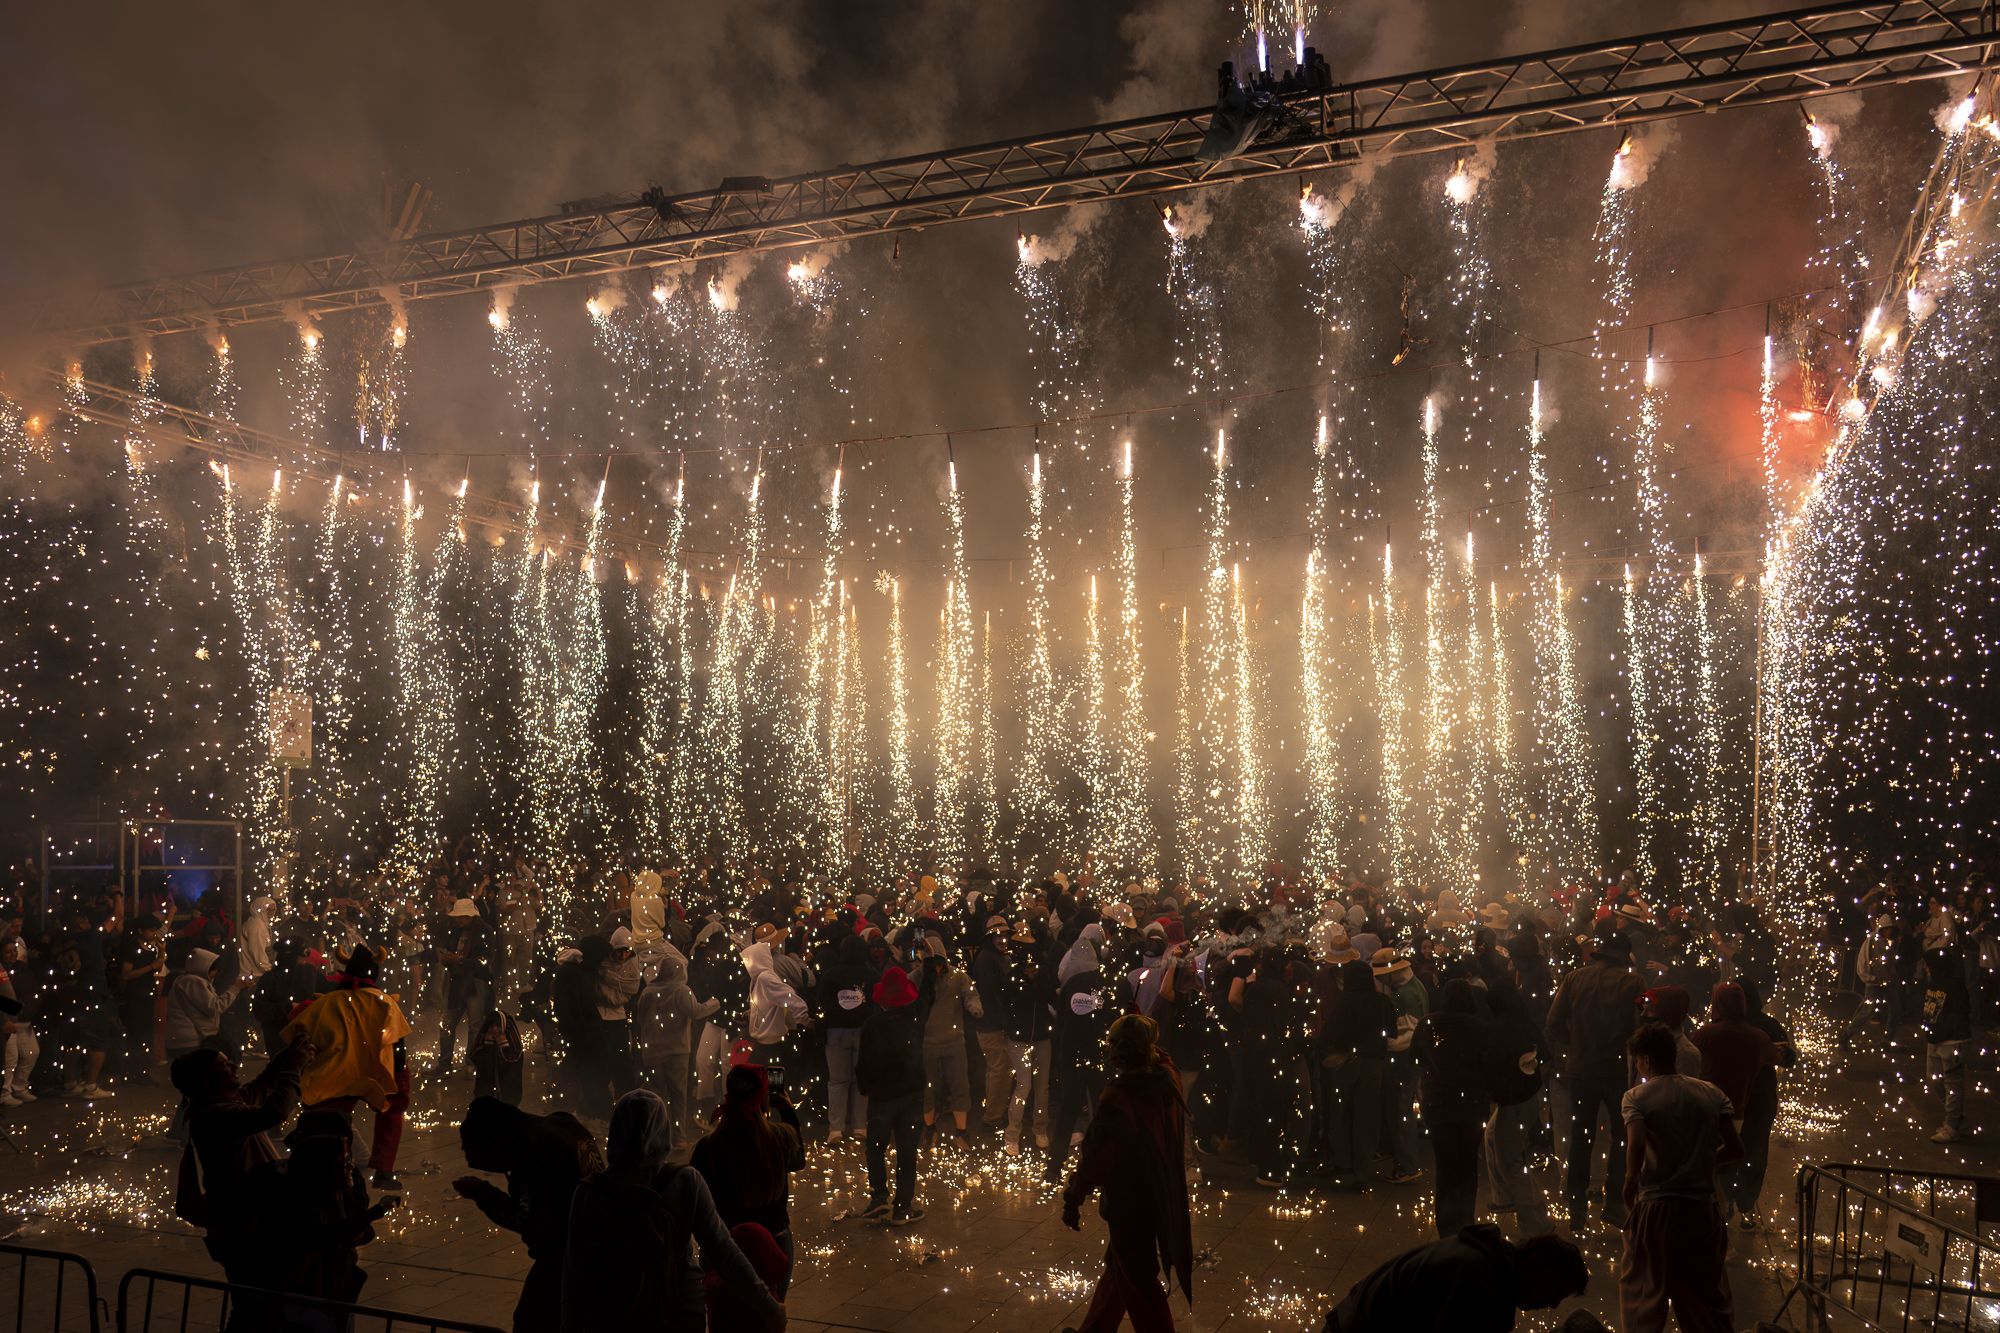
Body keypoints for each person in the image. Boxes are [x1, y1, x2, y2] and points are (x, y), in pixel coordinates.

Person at [561, 1089, 786, 1332]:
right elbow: (725, 1253)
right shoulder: (685, 1181)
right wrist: (768, 1306)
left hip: (613, 1312)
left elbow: (575, 1272)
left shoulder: (590, 1191)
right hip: (678, 1312)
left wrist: (569, 1325)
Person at [1059, 1014, 1191, 1333]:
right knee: (1120, 1270)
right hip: (1158, 1192)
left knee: (1139, 1283)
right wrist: (1138, 1026)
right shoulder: (1166, 1077)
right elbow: (1163, 1056)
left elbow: (1095, 1159)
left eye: (1115, 1045)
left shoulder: (1120, 1098)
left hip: (1131, 1201)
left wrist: (1073, 1198)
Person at [1618, 1022, 1742, 1333]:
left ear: (1645, 1060)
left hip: (1657, 1209)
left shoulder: (1636, 1097)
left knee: (1644, 1296)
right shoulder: (1711, 1093)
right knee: (1706, 1301)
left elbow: (1636, 1144)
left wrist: (1631, 1180)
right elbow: (1736, 1148)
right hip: (1701, 1208)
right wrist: (1702, 1160)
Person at [170, 1038, 312, 1288]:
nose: (234, 1066)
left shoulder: (224, 1102)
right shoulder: (214, 1115)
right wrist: (294, 1066)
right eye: (225, 1066)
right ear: (208, 1080)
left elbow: (264, 1084)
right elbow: (275, 1112)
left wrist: (287, 1054)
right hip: (241, 1227)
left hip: (250, 1219)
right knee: (253, 1304)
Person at [456, 1096, 605, 1333]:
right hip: (597, 1246)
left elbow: (527, 1220)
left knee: (533, 1321)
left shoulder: (532, 1157)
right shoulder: (559, 1124)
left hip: (569, 1259)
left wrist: (483, 1194)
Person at [282, 942, 414, 1192]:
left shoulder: (327, 1003)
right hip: (376, 1071)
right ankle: (383, 1170)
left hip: (335, 1071)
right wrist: (399, 1077)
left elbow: (300, 1034)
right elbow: (397, 1044)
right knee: (391, 1113)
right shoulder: (385, 1002)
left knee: (326, 1120)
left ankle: (324, 1165)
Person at [1322, 1226, 1592, 1332]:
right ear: (1535, 1263)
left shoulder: (1493, 1260)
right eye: (1555, 1289)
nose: (1554, 1304)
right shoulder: (1479, 1278)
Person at [1547, 932, 1642, 1228]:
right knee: (1621, 1138)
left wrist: (1573, 1045)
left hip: (1581, 1068)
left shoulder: (1575, 978)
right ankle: (1615, 1202)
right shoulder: (1632, 983)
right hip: (1616, 1069)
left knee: (1580, 1136)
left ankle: (1576, 1207)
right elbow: (1643, 1025)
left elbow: (1553, 1022)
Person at [691, 1063, 807, 1288]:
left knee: (724, 1316)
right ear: (764, 1098)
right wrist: (788, 1112)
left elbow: (698, 1206)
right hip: (774, 1241)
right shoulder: (781, 1137)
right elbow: (798, 1160)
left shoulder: (709, 1146)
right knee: (770, 1312)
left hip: (724, 1245)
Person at [1415, 977, 1493, 1236]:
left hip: (1438, 1103)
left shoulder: (1428, 1024)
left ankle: (1446, 1226)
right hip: (1471, 1104)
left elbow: (1416, 1056)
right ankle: (1466, 1221)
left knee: (1445, 1165)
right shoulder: (1480, 1027)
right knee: (1468, 1164)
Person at [855, 965, 926, 1224]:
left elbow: (863, 1063)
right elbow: (927, 993)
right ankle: (903, 1207)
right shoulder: (914, 1021)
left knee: (875, 1148)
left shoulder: (873, 1025)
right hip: (910, 1095)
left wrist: (866, 1088)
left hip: (881, 1097)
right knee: (907, 1152)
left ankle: (879, 1198)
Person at [1045, 927, 1116, 1185]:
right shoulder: (1103, 983)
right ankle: (1103, 1165)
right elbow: (1107, 1021)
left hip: (1072, 1058)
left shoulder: (1070, 985)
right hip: (1097, 1057)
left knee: (1067, 1112)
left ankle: (1054, 1167)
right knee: (1100, 1112)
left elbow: (1061, 1023)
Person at [1317, 957, 1395, 1190]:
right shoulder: (1381, 1001)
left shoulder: (1344, 1002)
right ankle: (1363, 1170)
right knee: (1367, 1117)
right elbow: (1390, 1029)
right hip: (1373, 1065)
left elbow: (1330, 1034)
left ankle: (1343, 1162)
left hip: (1345, 1062)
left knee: (1341, 1113)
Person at [1482, 974, 1551, 1236]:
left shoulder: (1498, 1028)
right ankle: (1504, 1198)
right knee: (1492, 1138)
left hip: (1513, 1102)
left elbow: (1491, 1065)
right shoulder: (1525, 1023)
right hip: (1528, 1096)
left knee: (1511, 1161)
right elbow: (1544, 1054)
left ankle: (1536, 1225)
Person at [1729, 977, 1796, 1225]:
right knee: (1753, 1151)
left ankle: (1735, 1202)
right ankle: (1743, 1203)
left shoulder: (1722, 1025)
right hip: (1754, 1098)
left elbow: (1789, 1057)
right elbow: (1789, 1058)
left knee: (1736, 1151)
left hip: (1742, 1098)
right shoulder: (1763, 1026)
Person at [636, 948, 717, 1145]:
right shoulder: (682, 991)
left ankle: (655, 1135)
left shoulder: (648, 992)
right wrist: (715, 1003)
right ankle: (678, 1137)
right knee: (678, 1094)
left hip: (653, 1050)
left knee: (656, 1094)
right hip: (677, 1051)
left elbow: (640, 1019)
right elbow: (696, 1012)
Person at [919, 945, 982, 1147]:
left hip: (954, 1042)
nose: (937, 969)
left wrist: (974, 1006)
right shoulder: (917, 976)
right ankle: (929, 1129)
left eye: (940, 963)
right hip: (926, 1043)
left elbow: (970, 993)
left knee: (960, 1086)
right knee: (927, 1088)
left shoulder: (958, 976)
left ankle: (961, 1132)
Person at [816, 931, 877, 1143]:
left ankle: (836, 1129)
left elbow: (821, 1003)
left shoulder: (831, 975)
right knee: (861, 1081)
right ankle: (860, 1127)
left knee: (837, 1081)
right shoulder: (870, 975)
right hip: (864, 1033)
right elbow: (876, 1003)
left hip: (835, 1032)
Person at [435, 897, 495, 1075]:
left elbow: (486, 960)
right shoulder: (455, 930)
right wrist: (447, 958)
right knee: (446, 1024)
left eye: (461, 917)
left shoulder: (485, 930)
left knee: (475, 1025)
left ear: (470, 916)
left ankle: (471, 1064)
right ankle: (444, 1064)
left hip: (476, 981)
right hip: (457, 981)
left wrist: (461, 960)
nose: (458, 920)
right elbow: (450, 950)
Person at [1921, 940, 1973, 1142]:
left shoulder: (1954, 985)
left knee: (1952, 1084)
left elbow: (1959, 1014)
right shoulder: (1933, 981)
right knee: (1933, 1079)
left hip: (1951, 1041)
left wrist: (1943, 1031)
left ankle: (1952, 1126)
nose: (1925, 968)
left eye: (1928, 965)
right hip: (1935, 1039)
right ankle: (1959, 1121)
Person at [164, 948, 245, 1067]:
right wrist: (235, 988)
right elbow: (215, 1007)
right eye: (213, 970)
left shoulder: (187, 980)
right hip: (189, 1042)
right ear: (203, 967)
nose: (215, 974)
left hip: (183, 1040)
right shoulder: (192, 982)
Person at [472, 1010, 526, 1105]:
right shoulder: (484, 1037)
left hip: (507, 1089)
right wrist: (488, 1045)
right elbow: (476, 1058)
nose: (495, 1029)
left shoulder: (512, 1039)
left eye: (498, 1026)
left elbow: (513, 1061)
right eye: (492, 1026)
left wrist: (503, 1044)